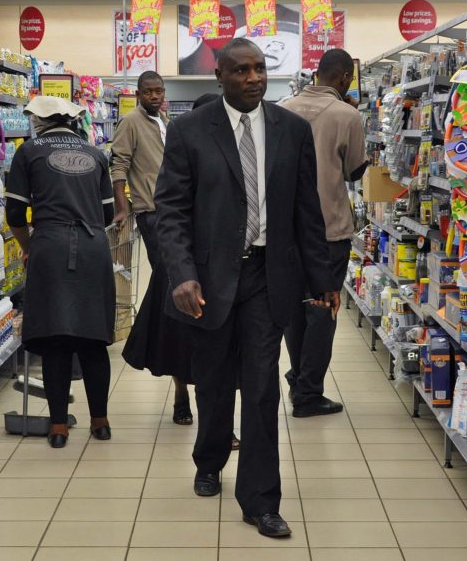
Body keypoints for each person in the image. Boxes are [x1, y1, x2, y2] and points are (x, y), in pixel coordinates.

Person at [155, 38, 339, 538]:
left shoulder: (291, 130)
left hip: (266, 276)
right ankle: (210, 458)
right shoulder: (190, 130)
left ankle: (260, 500)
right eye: (242, 70)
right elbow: (170, 210)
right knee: (213, 381)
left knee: (260, 388)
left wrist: (323, 279)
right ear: (220, 76)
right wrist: (182, 272)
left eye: (260, 69)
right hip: (210, 279)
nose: (254, 77)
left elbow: (307, 210)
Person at [122, 91, 242, 450]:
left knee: (223, 350)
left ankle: (219, 424)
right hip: (182, 267)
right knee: (176, 336)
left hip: (223, 268)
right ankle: (180, 395)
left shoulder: (236, 154)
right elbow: (169, 211)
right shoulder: (183, 151)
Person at [5, 95, 115, 449]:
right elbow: (109, 215)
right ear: (71, 121)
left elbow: (14, 215)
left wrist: (28, 247)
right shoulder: (96, 154)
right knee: (93, 338)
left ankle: (57, 428)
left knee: (55, 340)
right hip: (93, 249)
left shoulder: (29, 152)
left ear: (38, 121)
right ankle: (100, 422)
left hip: (49, 248)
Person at [280, 49, 369, 417]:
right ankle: (308, 393)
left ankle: (300, 375)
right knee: (323, 310)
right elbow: (355, 173)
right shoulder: (347, 115)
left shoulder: (282, 108)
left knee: (295, 309)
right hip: (328, 229)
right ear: (346, 78)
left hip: (285, 230)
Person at [111, 71, 198, 426]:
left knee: (174, 290)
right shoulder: (130, 122)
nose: (154, 96)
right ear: (138, 93)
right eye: (148, 91)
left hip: (176, 213)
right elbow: (119, 165)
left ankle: (175, 362)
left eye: (159, 91)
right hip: (151, 212)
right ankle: (173, 367)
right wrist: (121, 207)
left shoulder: (164, 120)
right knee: (172, 284)